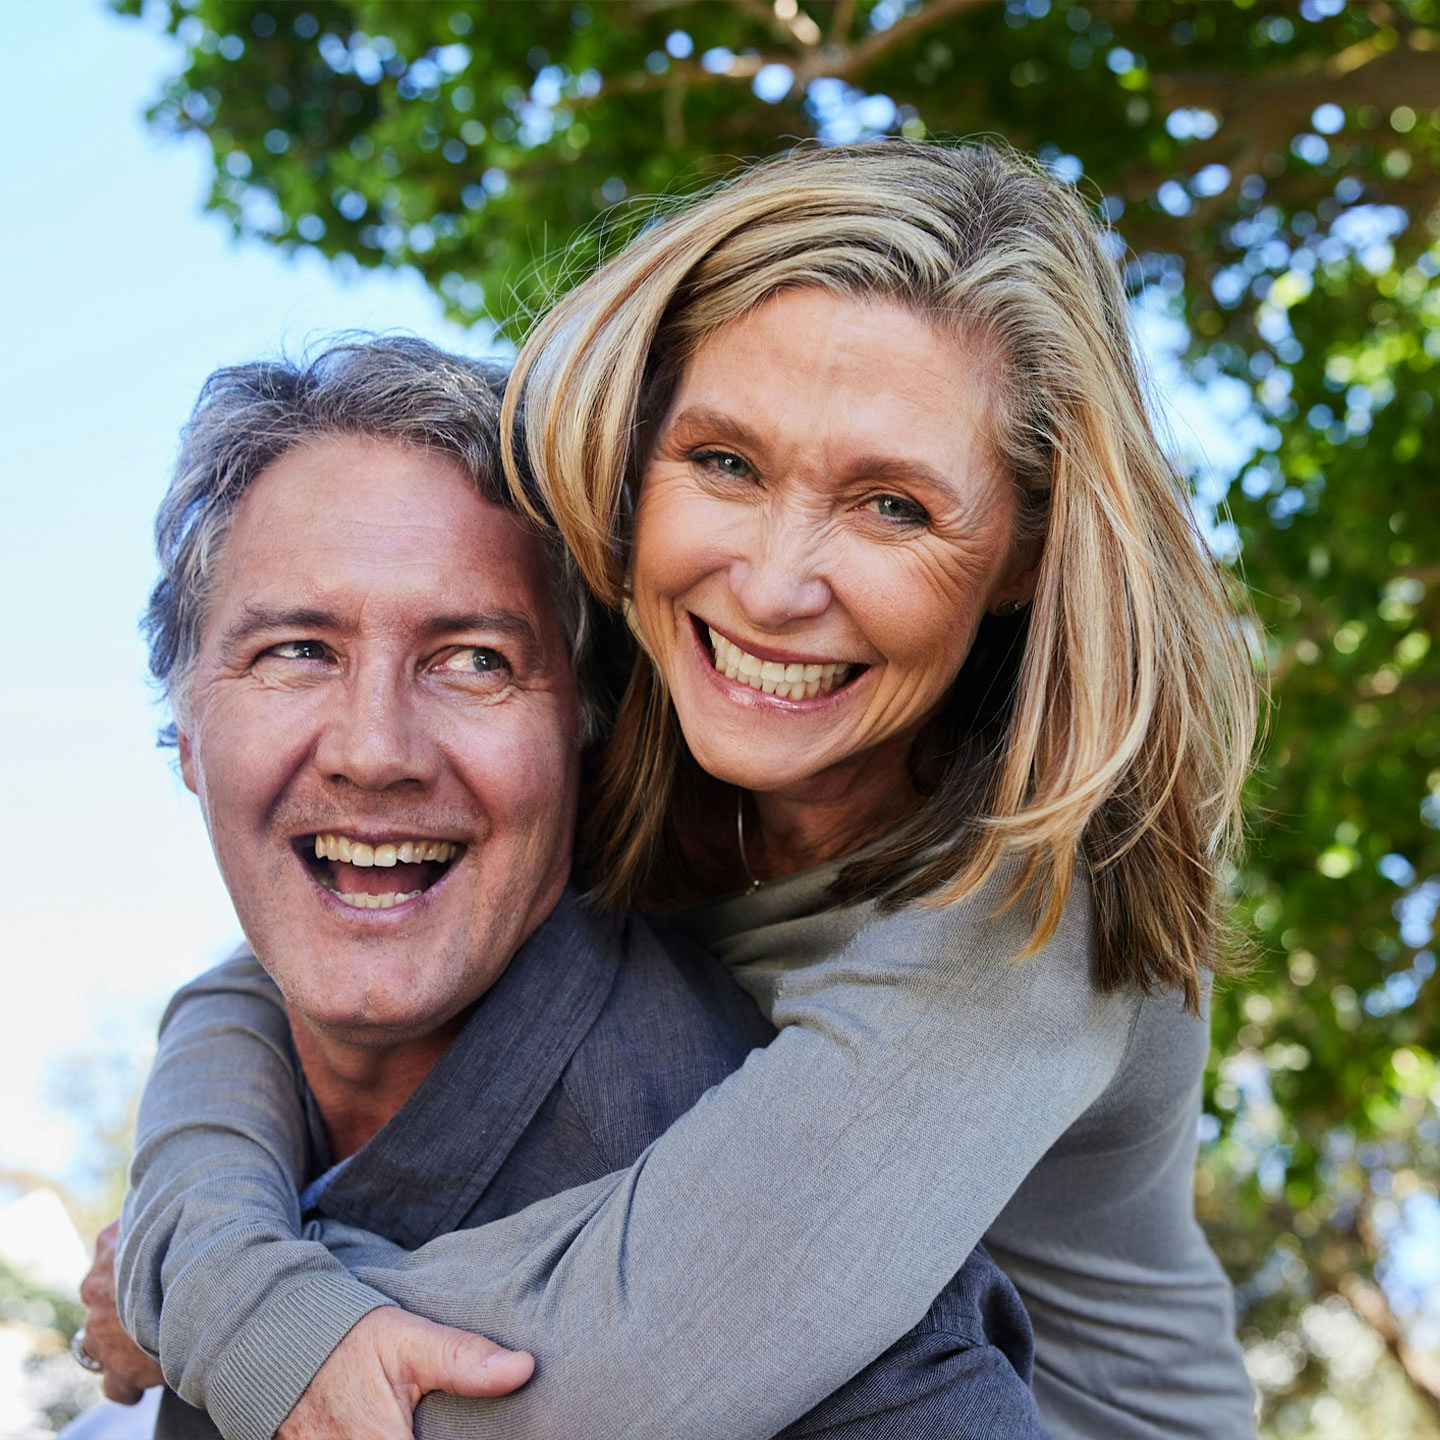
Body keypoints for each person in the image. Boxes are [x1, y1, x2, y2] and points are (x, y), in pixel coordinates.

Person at [111, 141, 1261, 1439]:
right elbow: (286, 957)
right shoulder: (663, 717)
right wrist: (208, 1238)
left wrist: (217, 1314)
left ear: (1024, 555)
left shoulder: (1027, 914)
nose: (771, 586)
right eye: (724, 462)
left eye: (892, 506)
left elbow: (614, 1381)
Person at [73, 335, 1046, 1440]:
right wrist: (199, 1274)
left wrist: (195, 1310)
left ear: (585, 732)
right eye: (297, 651)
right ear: (187, 731)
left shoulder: (795, 1247)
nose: (374, 750)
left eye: (475, 659)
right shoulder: (243, 1056)